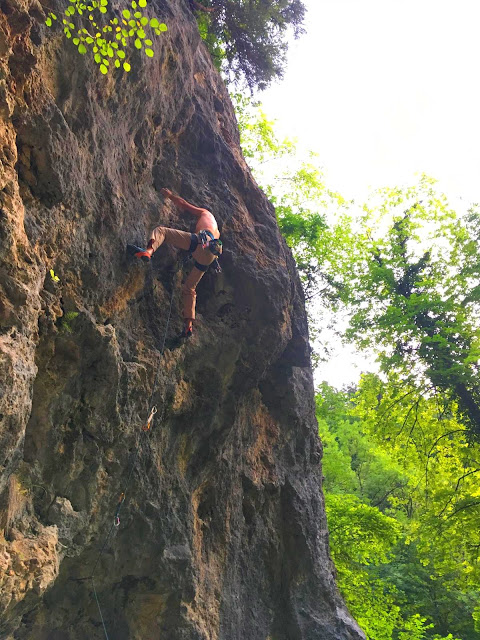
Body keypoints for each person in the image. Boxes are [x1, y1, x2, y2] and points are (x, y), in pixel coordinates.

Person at [128, 188, 222, 338]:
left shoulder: (206, 214)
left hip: (200, 241)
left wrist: (171, 196)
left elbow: (184, 204)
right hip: (209, 258)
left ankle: (148, 252)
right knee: (189, 288)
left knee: (162, 231)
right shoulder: (216, 231)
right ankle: (188, 325)